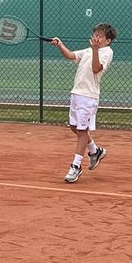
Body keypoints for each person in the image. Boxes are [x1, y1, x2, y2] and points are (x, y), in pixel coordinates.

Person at [51, 23, 117, 183]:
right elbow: (71, 56)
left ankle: (76, 166)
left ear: (107, 40)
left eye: (100, 36)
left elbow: (96, 69)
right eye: (95, 34)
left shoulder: (107, 52)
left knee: (81, 130)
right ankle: (95, 151)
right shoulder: (88, 50)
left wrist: (94, 50)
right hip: (76, 94)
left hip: (88, 97)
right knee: (74, 127)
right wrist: (60, 45)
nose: (96, 37)